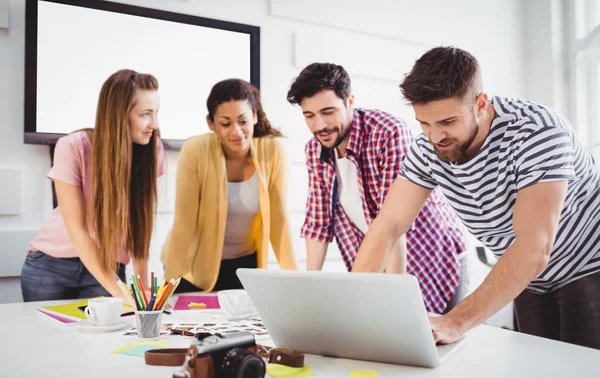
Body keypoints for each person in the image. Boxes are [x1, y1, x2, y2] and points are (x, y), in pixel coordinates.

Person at [352, 46, 600, 350]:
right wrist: (352, 312)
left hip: (588, 266)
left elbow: (534, 247)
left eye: (447, 122)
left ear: (480, 103)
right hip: (528, 278)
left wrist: (455, 321)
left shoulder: (537, 132)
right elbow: (388, 226)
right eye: (424, 123)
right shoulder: (428, 148)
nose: (435, 137)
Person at [286, 63, 467, 314]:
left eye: (328, 112)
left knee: (442, 347)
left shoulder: (388, 134)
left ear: (350, 101)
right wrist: (308, 293)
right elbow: (318, 224)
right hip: (380, 265)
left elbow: (393, 224)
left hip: (434, 260)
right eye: (309, 116)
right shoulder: (315, 149)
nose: (320, 126)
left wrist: (396, 300)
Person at [21, 69, 166, 302]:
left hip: (108, 267)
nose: (155, 124)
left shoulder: (152, 151)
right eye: (146, 114)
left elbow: (140, 226)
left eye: (156, 113)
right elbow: (77, 230)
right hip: (50, 267)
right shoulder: (72, 147)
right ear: (119, 114)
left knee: (106, 339)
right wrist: (122, 293)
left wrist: (143, 292)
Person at [162, 78, 298, 293]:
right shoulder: (195, 150)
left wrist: (296, 283)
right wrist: (168, 284)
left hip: (244, 267)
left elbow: (278, 221)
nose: (236, 131)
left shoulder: (274, 151)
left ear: (254, 116)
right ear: (211, 123)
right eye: (226, 123)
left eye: (243, 121)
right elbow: (183, 222)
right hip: (193, 268)